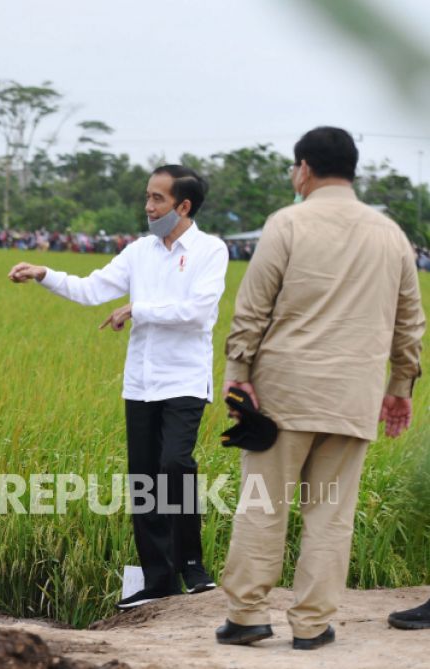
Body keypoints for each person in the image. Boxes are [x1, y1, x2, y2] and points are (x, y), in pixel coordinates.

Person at [215, 127, 425, 650]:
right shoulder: (392, 235)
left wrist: (238, 375)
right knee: (331, 513)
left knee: (264, 503)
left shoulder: (287, 223)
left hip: (282, 394)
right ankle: (312, 625)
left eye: (294, 169)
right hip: (353, 396)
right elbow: (410, 323)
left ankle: (246, 616)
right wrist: (400, 385)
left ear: (304, 169)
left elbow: (253, 308)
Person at [9, 165, 229, 609]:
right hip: (141, 382)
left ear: (183, 206)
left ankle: (192, 565)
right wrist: (44, 274)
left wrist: (138, 309)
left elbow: (198, 312)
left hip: (184, 379)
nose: (148, 207)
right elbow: (92, 289)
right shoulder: (139, 253)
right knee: (144, 479)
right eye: (147, 197)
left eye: (157, 199)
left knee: (174, 466)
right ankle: (159, 580)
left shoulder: (210, 250)